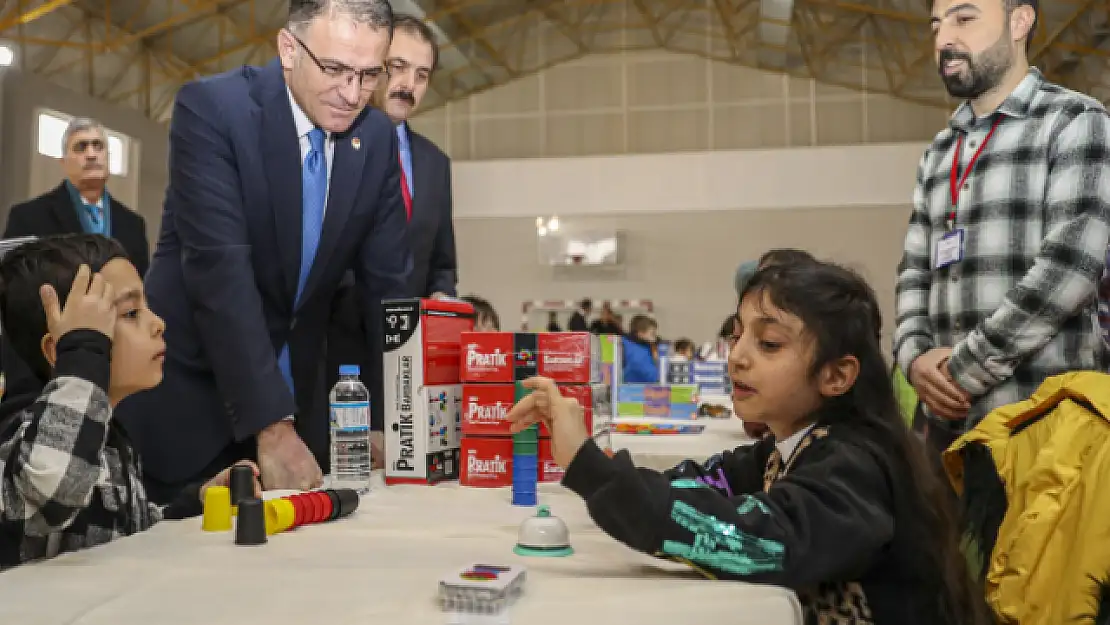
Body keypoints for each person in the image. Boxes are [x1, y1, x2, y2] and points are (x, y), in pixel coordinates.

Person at [507, 261, 984, 625]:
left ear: (837, 374)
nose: (737, 357)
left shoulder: (853, 468)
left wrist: (591, 469)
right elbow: (700, 484)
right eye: (737, 337)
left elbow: (752, 542)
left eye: (769, 344)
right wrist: (604, 473)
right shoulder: (786, 449)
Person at [115, 0, 412, 503]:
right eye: (336, 69)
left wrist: (402, 421)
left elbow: (388, 291)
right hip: (197, 404)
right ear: (289, 49)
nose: (352, 93)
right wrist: (272, 428)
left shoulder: (377, 138)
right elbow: (220, 276)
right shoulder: (213, 111)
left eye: (369, 74)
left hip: (301, 414)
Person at [894, 0, 1110, 454]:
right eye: (937, 24)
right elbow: (914, 271)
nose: (943, 38)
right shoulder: (939, 152)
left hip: (1045, 428)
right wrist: (914, 360)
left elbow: (1067, 272)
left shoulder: (1075, 123)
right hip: (944, 430)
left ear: (1020, 21)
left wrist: (963, 370)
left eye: (964, 18)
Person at [0, 234, 260, 569]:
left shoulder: (112, 440)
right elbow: (54, 489)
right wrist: (82, 353)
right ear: (59, 350)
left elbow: (129, 535)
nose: (158, 324)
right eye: (131, 312)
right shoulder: (28, 439)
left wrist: (197, 502)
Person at [1, 117, 151, 409]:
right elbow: (14, 304)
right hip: (47, 366)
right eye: (81, 147)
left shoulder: (132, 224)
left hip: (119, 367)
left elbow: (141, 293)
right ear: (64, 161)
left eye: (99, 146)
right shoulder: (29, 216)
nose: (92, 154)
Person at [621, 314, 659, 383]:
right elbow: (654, 377)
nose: (655, 338)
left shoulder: (626, 342)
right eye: (652, 334)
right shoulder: (638, 352)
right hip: (635, 390)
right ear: (640, 333)